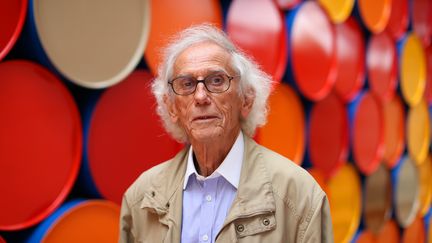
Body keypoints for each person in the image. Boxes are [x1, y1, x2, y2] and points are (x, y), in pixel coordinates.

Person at [119, 24, 333, 243]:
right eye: (187, 84)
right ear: (172, 107)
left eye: (217, 80)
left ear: (246, 99)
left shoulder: (299, 194)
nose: (201, 96)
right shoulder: (141, 198)